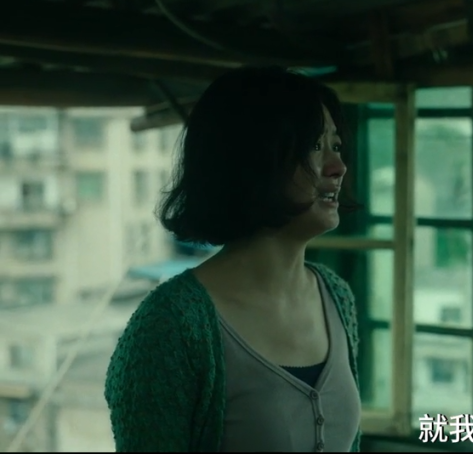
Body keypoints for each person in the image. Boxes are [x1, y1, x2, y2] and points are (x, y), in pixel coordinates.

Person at [104, 66, 364, 452]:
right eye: (314, 145)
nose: (337, 167)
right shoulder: (172, 325)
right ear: (254, 159)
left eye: (336, 146)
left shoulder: (336, 296)